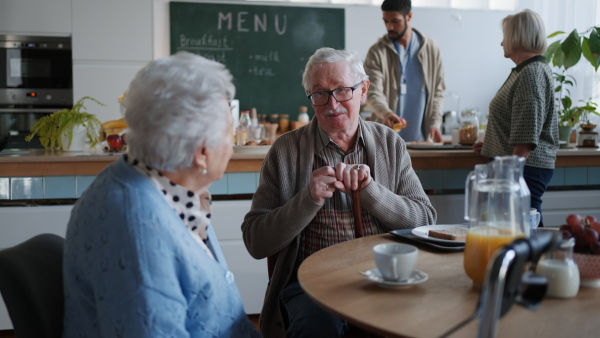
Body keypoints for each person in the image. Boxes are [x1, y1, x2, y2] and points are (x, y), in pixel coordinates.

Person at [62, 52, 261, 337]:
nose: (231, 147)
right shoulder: (139, 230)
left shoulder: (172, 190)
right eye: (230, 135)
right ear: (202, 153)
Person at [242, 47, 436, 338]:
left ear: (363, 91)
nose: (332, 104)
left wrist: (371, 192)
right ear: (310, 98)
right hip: (312, 284)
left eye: (343, 90)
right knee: (318, 328)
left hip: (382, 278)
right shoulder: (284, 151)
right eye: (320, 94)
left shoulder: (390, 144)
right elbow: (256, 241)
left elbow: (426, 220)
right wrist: (308, 199)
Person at [473, 9, 558, 227]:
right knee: (517, 228)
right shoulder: (526, 71)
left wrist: (510, 178)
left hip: (525, 170)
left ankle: (532, 262)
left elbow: (527, 133)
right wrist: (493, 141)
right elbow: (520, 120)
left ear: (517, 37)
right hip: (521, 167)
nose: (502, 43)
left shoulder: (531, 73)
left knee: (522, 228)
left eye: (505, 36)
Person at [364, 0, 445, 143]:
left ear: (409, 16)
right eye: (386, 22)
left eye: (395, 21)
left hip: (421, 142)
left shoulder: (431, 49)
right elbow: (373, 92)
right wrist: (386, 113)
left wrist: (435, 124)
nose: (390, 27)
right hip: (385, 142)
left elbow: (438, 92)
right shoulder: (376, 53)